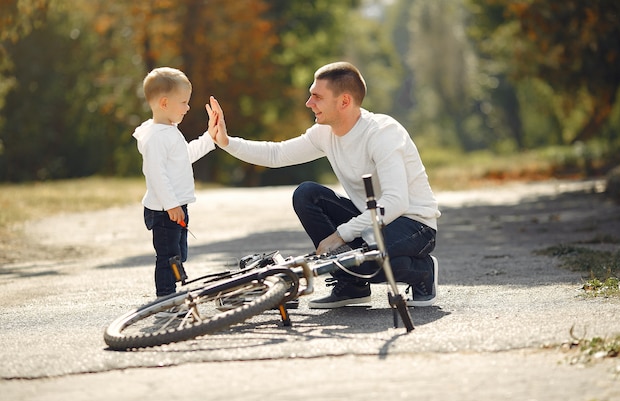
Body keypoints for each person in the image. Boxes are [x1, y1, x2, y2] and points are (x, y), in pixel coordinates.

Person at [208, 61, 440, 308]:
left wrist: (340, 235)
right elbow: (277, 155)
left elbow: (396, 202)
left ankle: (424, 271)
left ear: (344, 101)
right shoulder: (324, 132)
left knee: (367, 260)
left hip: (414, 223)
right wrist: (226, 142)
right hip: (372, 221)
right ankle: (352, 287)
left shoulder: (383, 133)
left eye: (317, 97)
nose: (309, 104)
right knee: (307, 194)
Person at [133, 67, 217, 304]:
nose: (187, 107)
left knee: (179, 254)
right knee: (168, 256)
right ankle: (166, 298)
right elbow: (156, 174)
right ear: (164, 103)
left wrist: (209, 138)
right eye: (183, 102)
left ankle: (173, 292)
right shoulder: (156, 137)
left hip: (176, 207)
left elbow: (184, 156)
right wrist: (170, 205)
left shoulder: (169, 131)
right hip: (164, 211)